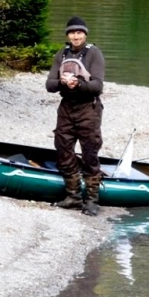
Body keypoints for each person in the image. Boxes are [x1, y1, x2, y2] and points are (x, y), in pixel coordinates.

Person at [45, 16, 105, 216]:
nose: (76, 36)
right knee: (63, 150)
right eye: (72, 32)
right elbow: (49, 85)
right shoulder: (61, 54)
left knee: (89, 153)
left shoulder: (94, 54)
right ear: (68, 35)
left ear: (85, 35)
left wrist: (78, 83)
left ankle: (92, 200)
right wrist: (63, 83)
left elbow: (97, 85)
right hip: (66, 108)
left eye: (79, 32)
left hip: (89, 109)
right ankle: (73, 196)